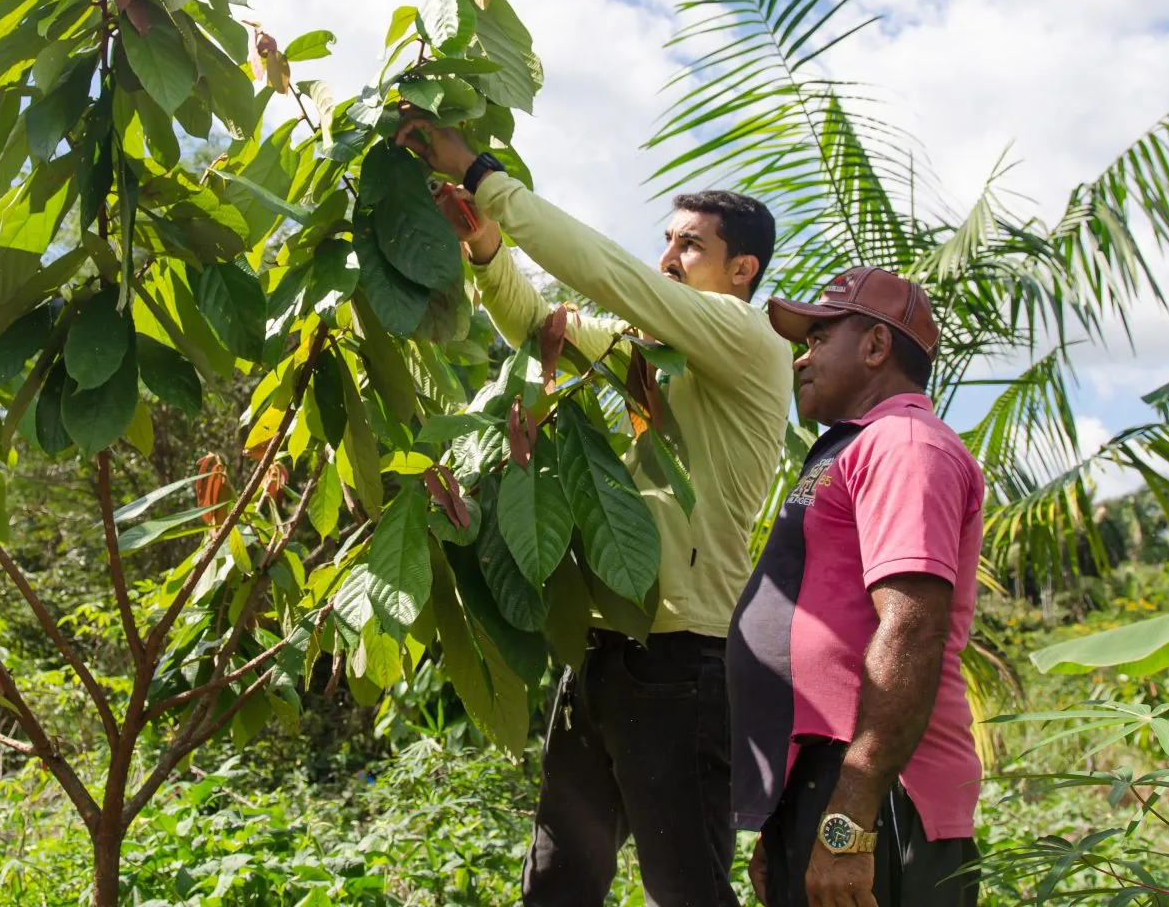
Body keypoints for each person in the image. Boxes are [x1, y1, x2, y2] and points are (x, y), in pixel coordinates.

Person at [396, 115, 794, 907]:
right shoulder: (654, 361)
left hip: (685, 658)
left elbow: (616, 279)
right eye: (668, 240)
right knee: (558, 882)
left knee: (686, 890)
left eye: (691, 247)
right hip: (607, 645)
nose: (668, 259)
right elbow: (540, 329)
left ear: (743, 270)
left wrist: (482, 173)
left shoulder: (750, 339)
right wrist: (483, 245)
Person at [730, 267, 985, 907]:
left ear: (875, 346)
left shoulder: (905, 445)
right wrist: (790, 819)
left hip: (883, 795)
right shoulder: (856, 447)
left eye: (818, 338)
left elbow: (912, 627)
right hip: (831, 784)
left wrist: (847, 823)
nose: (801, 358)